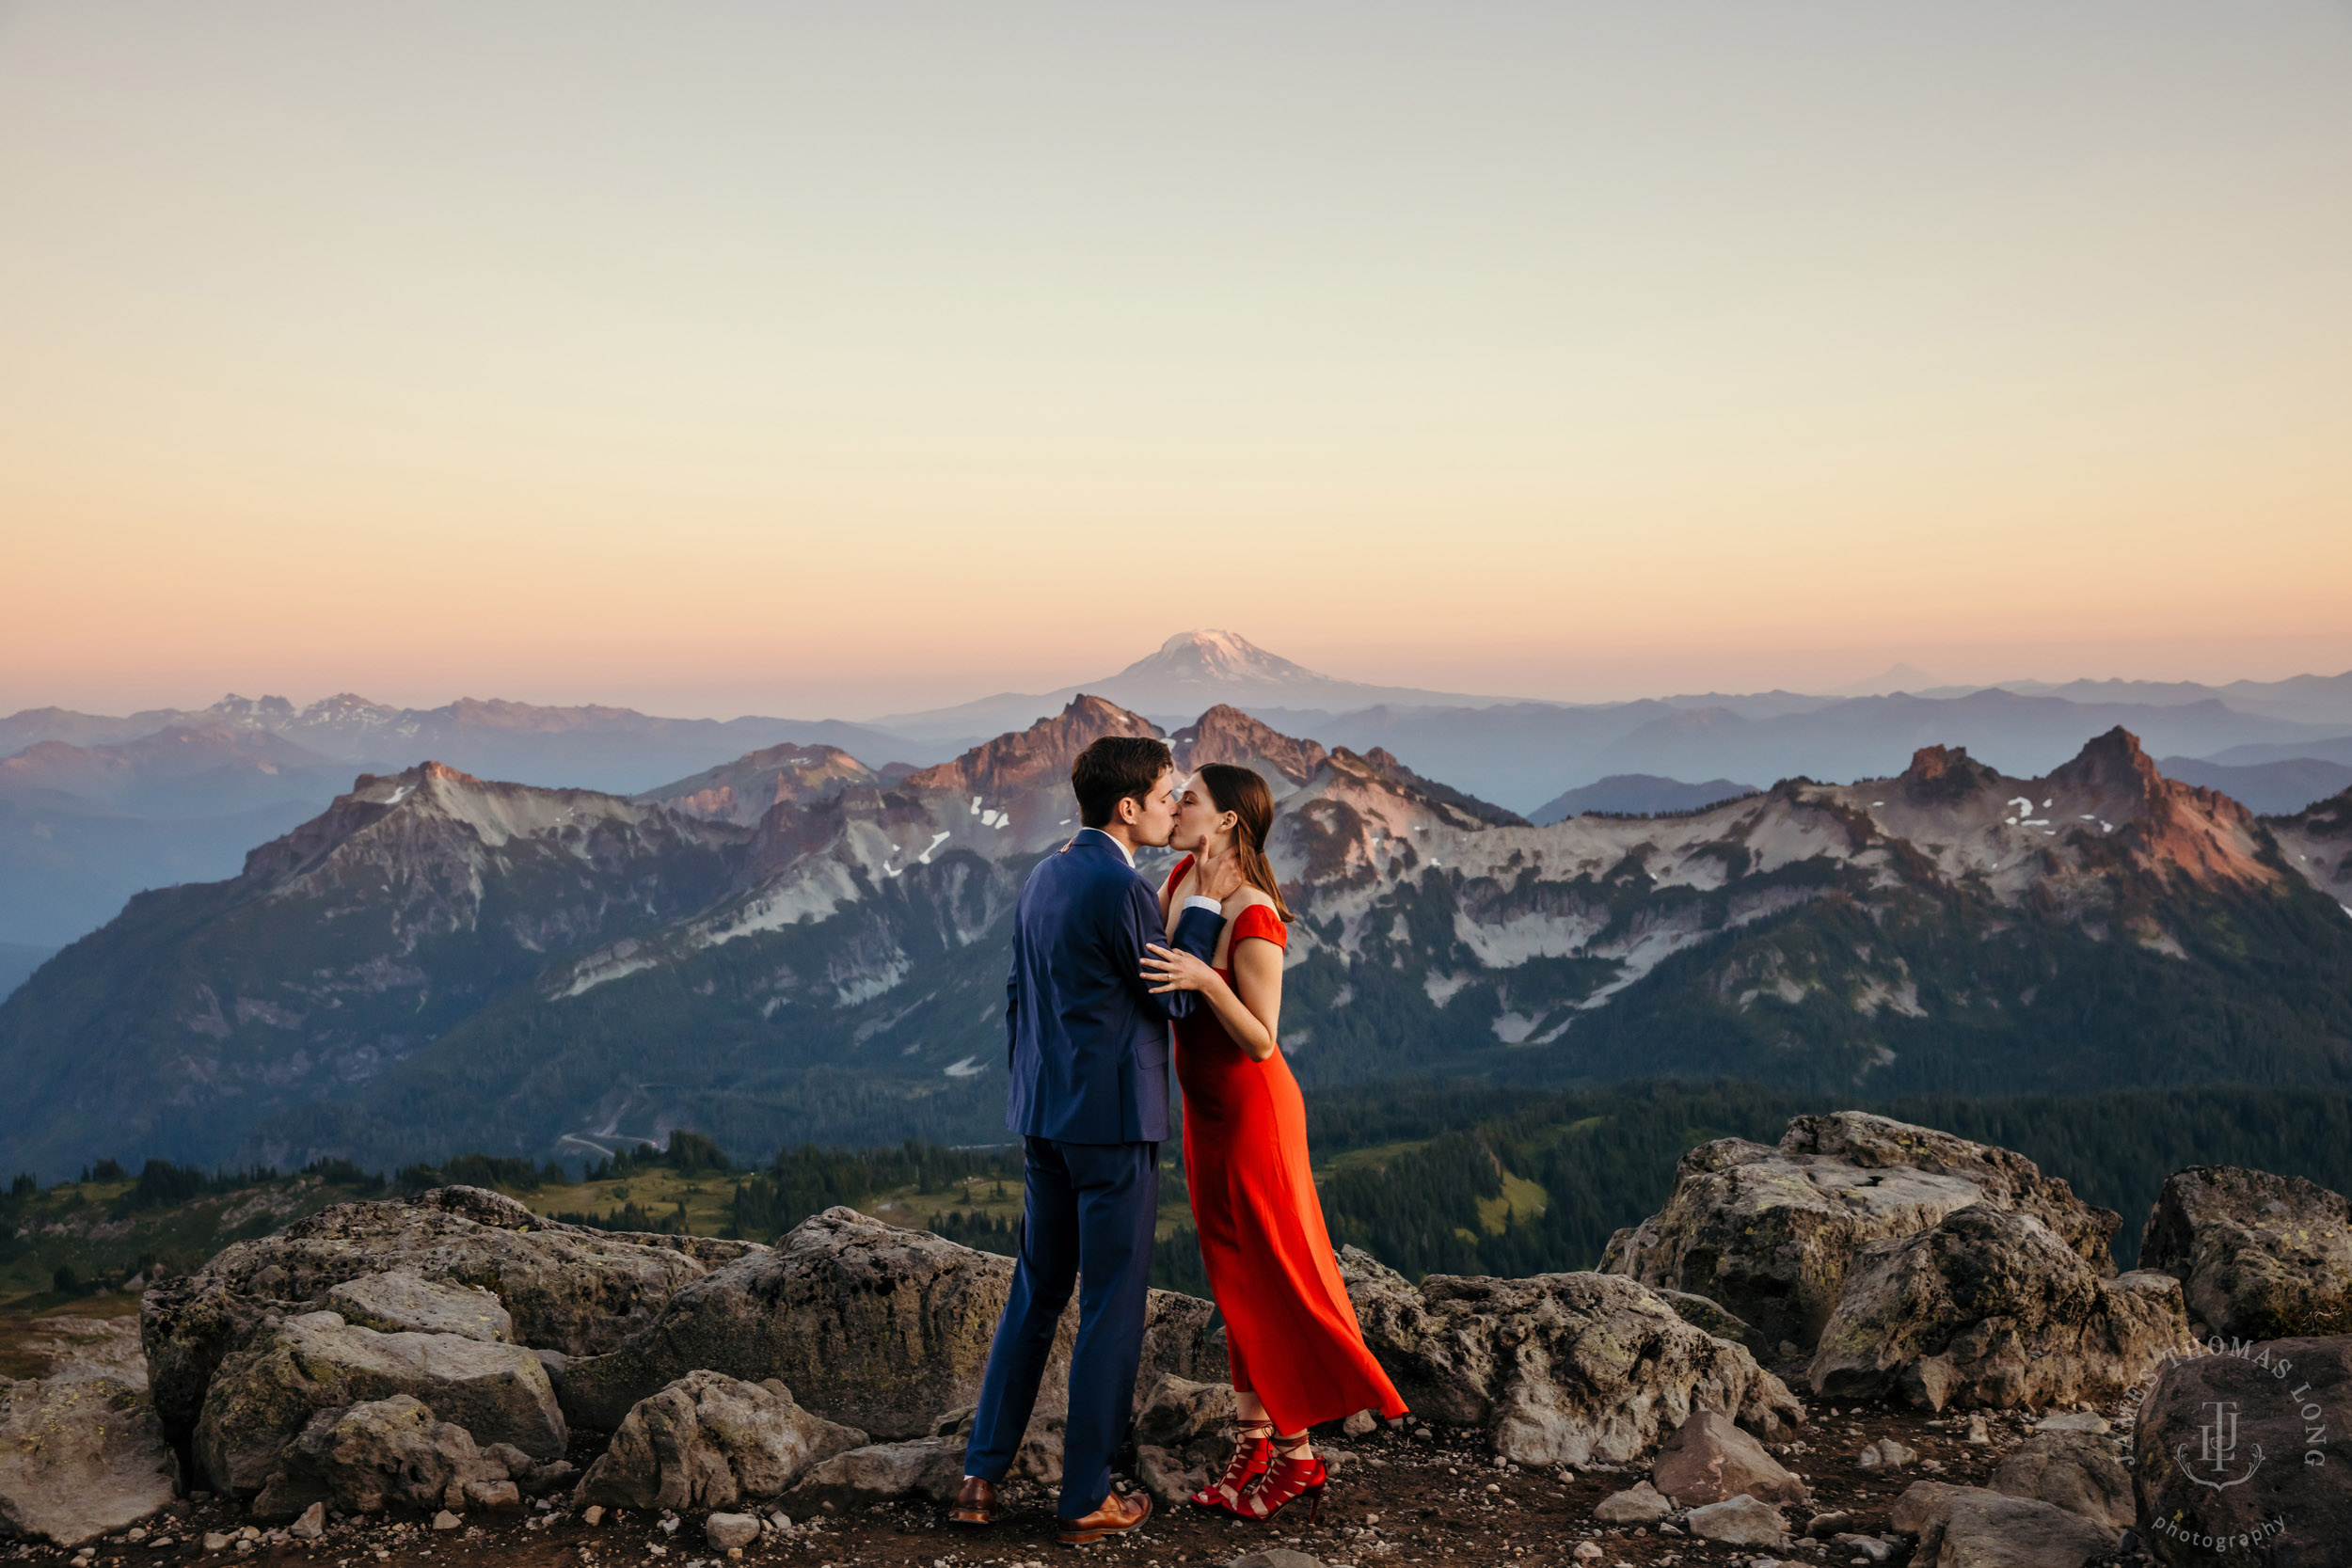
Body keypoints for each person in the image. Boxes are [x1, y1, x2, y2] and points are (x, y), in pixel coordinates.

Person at [952, 735, 1243, 1545]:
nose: (1170, 807)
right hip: (1113, 1124)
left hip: (1043, 1114)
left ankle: (981, 1474)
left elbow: (1019, 992)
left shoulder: (1042, 875)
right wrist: (1208, 908)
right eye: (1162, 796)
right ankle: (1084, 1496)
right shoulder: (1120, 888)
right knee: (1112, 1305)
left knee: (1036, 1293)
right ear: (1127, 807)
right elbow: (1174, 1001)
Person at [1140, 763, 1409, 1525]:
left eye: (1189, 798)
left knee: (1269, 1275)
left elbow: (1262, 1039)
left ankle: (1298, 1456)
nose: (1177, 806)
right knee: (1231, 1278)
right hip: (1205, 1113)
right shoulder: (1182, 878)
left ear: (1227, 819)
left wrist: (1208, 978)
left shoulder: (1255, 914)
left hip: (1255, 1113)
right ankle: (1253, 1439)